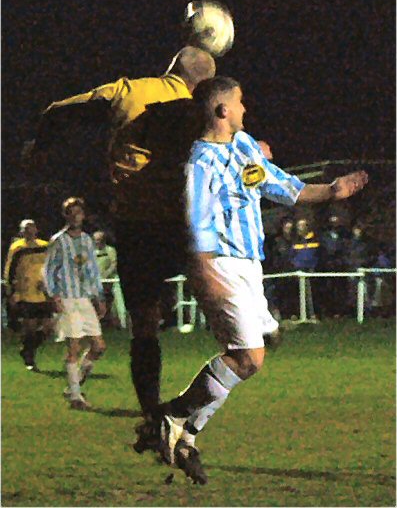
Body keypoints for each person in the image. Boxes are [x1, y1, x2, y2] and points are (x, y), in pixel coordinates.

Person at [155, 76, 368, 484]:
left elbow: (277, 184)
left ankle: (185, 436)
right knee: (248, 357)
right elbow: (196, 223)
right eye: (239, 102)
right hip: (222, 264)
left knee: (261, 347)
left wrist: (332, 191)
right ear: (222, 111)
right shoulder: (200, 163)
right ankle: (175, 415)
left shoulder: (244, 145)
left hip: (251, 264)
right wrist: (203, 273)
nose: (245, 109)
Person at [32, 47, 217, 444]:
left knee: (145, 327)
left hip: (136, 227)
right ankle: (257, 327)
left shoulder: (128, 91)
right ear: (203, 82)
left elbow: (56, 110)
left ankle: (153, 416)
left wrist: (40, 148)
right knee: (222, 296)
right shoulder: (204, 106)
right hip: (188, 224)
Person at [43, 197, 106, 410]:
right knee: (74, 347)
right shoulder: (59, 241)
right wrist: (54, 296)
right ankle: (76, 398)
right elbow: (49, 270)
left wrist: (99, 296)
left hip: (84, 297)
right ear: (66, 215)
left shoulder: (87, 240)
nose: (76, 216)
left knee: (98, 346)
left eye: (79, 212)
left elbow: (92, 270)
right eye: (72, 212)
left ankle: (74, 385)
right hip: (67, 297)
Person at [3, 219, 53, 370]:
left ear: (36, 229)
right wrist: (11, 291)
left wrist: (49, 283)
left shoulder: (45, 246)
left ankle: (27, 350)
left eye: (32, 228)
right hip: (26, 293)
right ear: (21, 232)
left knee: (48, 327)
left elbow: (51, 267)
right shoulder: (17, 248)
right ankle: (30, 358)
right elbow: (9, 270)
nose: (29, 231)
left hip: (43, 293)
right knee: (30, 327)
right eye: (26, 229)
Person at [291, 217, 320, 320]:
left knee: (311, 294)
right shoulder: (295, 241)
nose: (300, 228)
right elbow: (292, 256)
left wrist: (313, 267)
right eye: (298, 225)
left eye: (302, 225)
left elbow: (317, 256)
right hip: (298, 271)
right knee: (297, 294)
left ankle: (312, 314)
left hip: (311, 272)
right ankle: (298, 314)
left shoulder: (315, 239)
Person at [93, 231, 119, 327]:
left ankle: (109, 320)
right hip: (95, 281)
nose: (96, 242)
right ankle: (102, 319)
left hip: (108, 280)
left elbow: (113, 264)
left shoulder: (110, 250)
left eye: (98, 240)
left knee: (106, 299)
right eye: (95, 240)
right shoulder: (91, 251)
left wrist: (106, 274)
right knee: (97, 299)